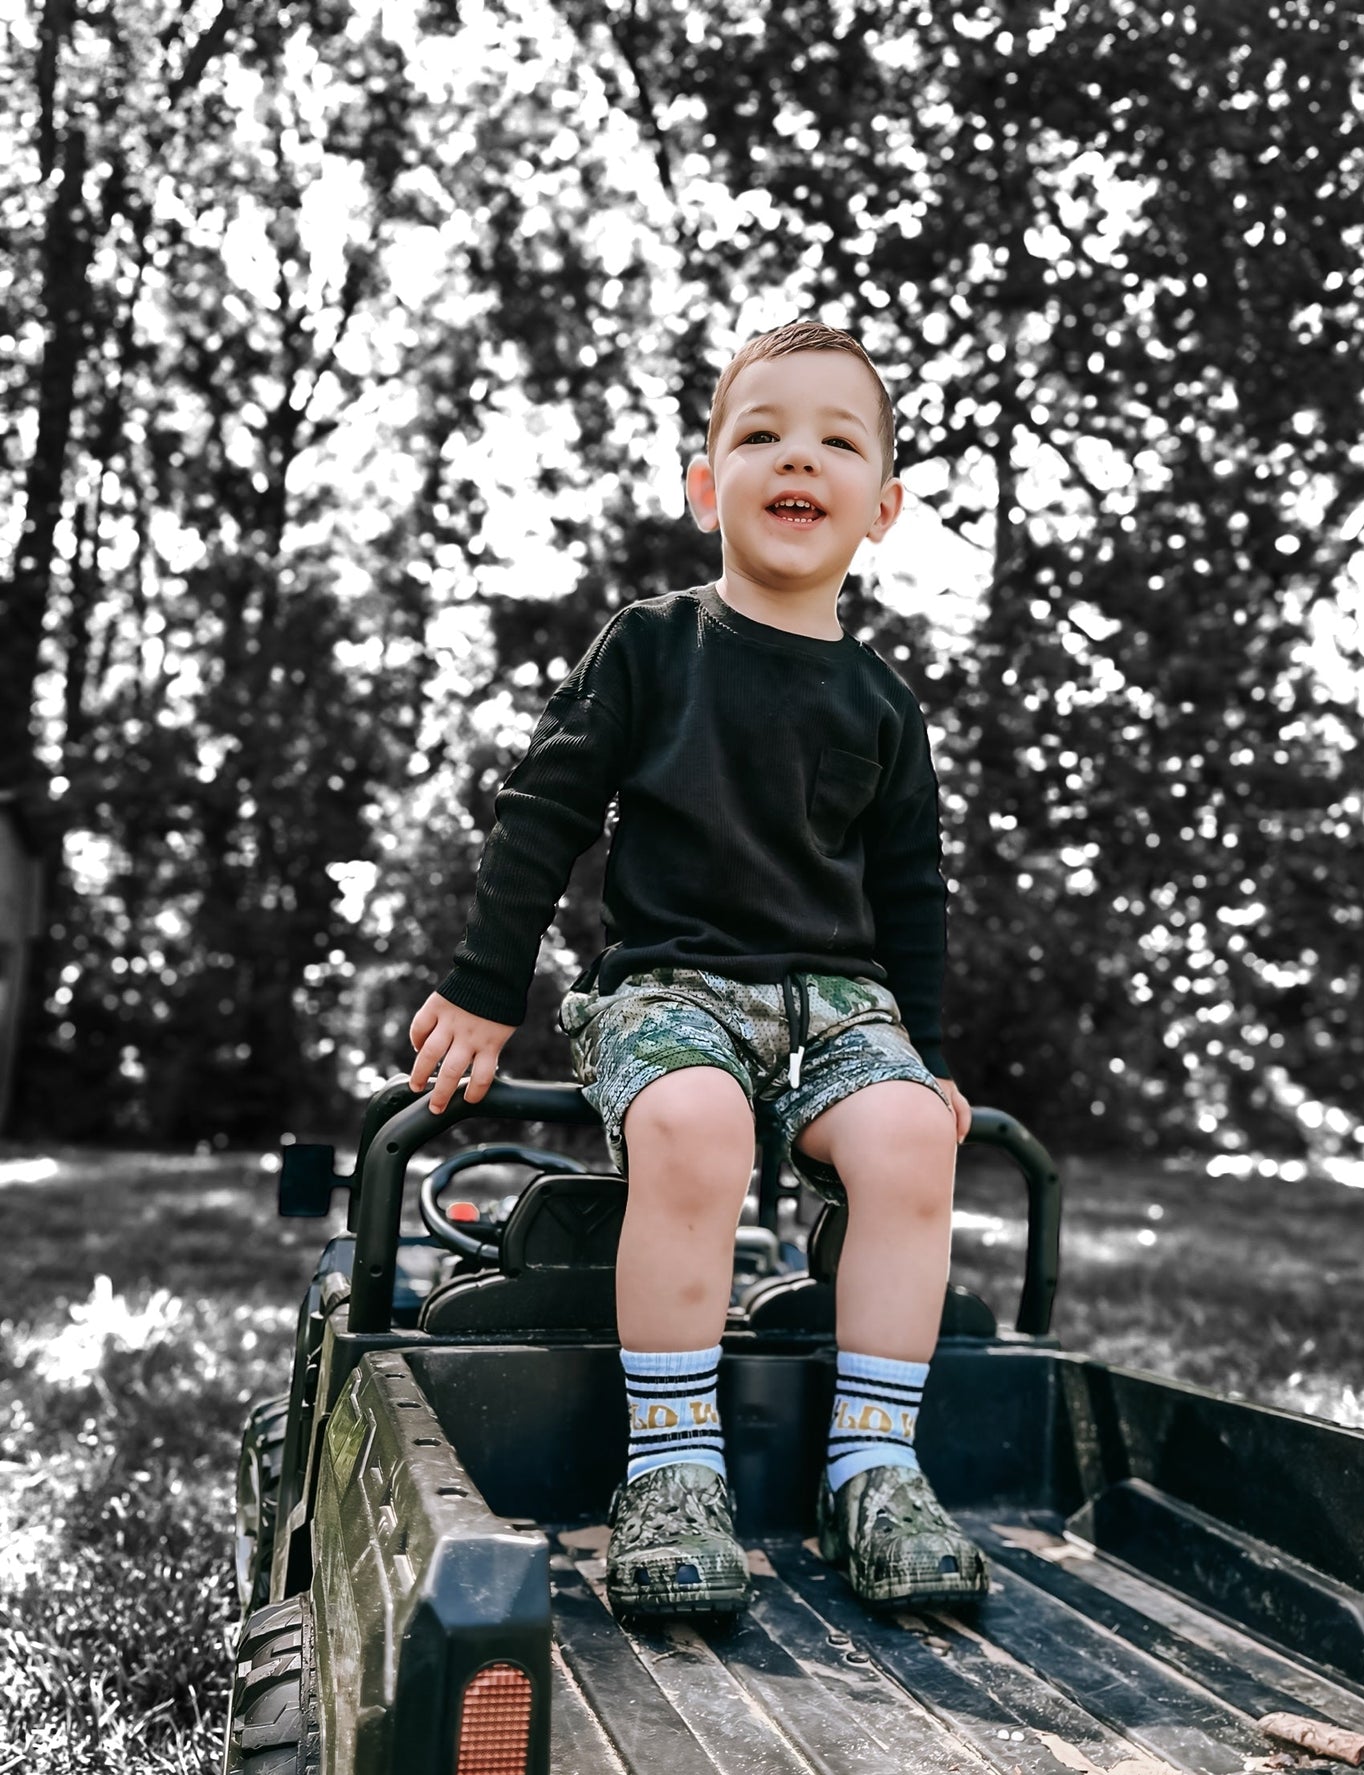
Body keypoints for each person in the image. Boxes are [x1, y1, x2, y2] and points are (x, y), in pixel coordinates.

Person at [407, 318, 988, 1618]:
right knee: (692, 1125)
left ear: (880, 508)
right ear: (703, 482)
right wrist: (487, 985)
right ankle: (671, 1465)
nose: (799, 457)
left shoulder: (883, 706)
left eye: (837, 441)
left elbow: (907, 894)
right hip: (665, 989)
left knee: (909, 1142)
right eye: (761, 433)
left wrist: (932, 1056)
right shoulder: (650, 648)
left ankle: (871, 1466)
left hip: (837, 1000)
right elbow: (542, 811)